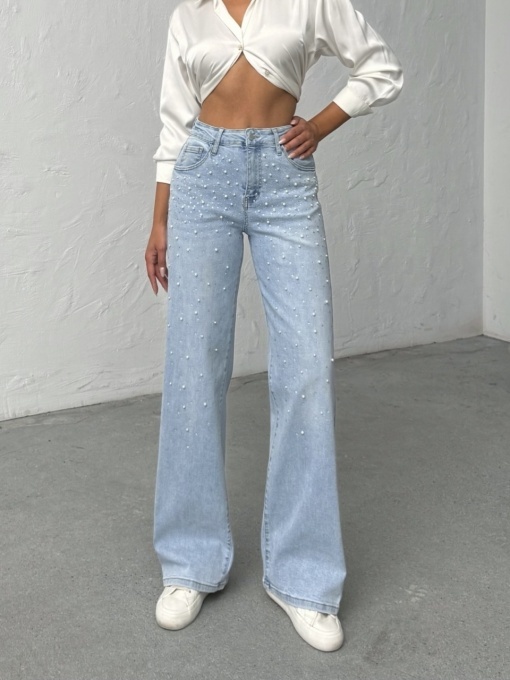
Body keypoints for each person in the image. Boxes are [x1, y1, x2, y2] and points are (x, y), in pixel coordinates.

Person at [145, 0, 403, 652]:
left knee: (307, 370)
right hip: (202, 178)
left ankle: (304, 577)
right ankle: (189, 562)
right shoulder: (189, 15)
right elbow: (174, 124)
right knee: (193, 368)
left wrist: (319, 124)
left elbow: (380, 69)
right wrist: (159, 219)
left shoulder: (308, 2)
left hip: (285, 181)